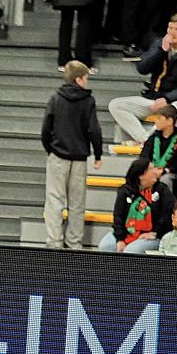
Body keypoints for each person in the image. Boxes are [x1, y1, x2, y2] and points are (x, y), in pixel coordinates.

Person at [41, 60, 103, 249]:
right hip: (79, 158)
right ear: (78, 79)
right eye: (85, 78)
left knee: (54, 200)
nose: (87, 82)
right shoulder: (88, 101)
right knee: (77, 204)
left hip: (58, 155)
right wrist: (98, 154)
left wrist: (51, 149)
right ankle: (74, 243)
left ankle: (54, 241)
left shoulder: (55, 98)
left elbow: (46, 128)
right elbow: (94, 129)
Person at [108, 13, 177, 144]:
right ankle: (146, 140)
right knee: (116, 105)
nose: (172, 33)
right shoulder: (159, 45)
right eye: (170, 28)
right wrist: (161, 51)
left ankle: (151, 140)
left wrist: (167, 99)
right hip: (153, 99)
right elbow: (142, 68)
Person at [98, 158, 173, 253]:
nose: (155, 171)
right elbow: (118, 217)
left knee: (132, 251)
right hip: (127, 231)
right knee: (106, 246)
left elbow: (167, 215)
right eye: (151, 169)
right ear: (141, 175)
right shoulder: (125, 191)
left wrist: (155, 232)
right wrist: (120, 239)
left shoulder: (162, 190)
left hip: (153, 234)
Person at [141, 104, 177, 190]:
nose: (156, 121)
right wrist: (150, 168)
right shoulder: (153, 138)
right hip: (151, 170)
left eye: (159, 118)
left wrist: (165, 170)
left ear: (170, 121)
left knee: (165, 179)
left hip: (169, 173)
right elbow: (144, 155)